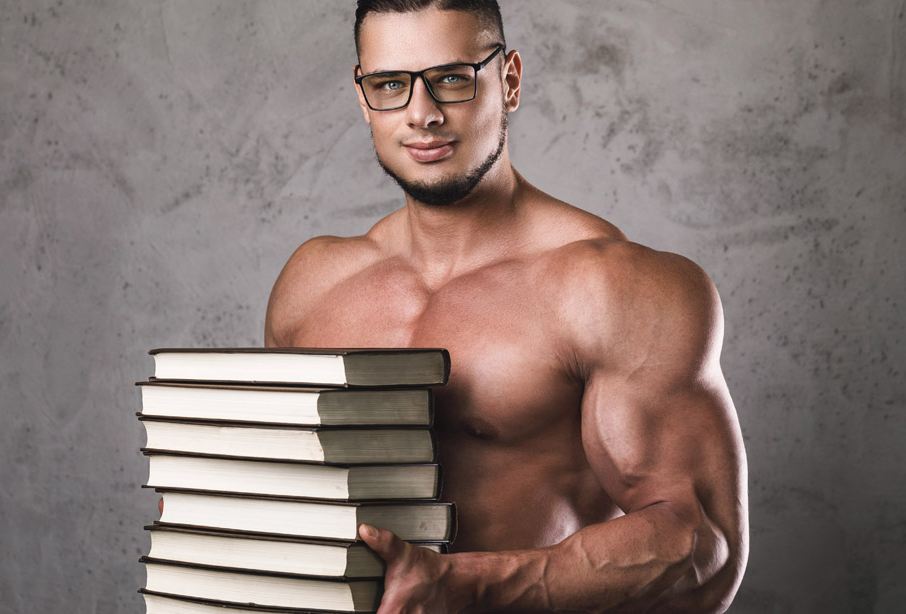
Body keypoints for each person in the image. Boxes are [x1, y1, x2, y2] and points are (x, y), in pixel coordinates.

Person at [263, 1, 748, 612]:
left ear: (509, 80)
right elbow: (272, 497)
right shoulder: (312, 284)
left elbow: (703, 547)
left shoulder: (613, 288)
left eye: (452, 78)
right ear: (363, 98)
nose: (422, 114)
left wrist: (464, 586)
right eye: (390, 85)